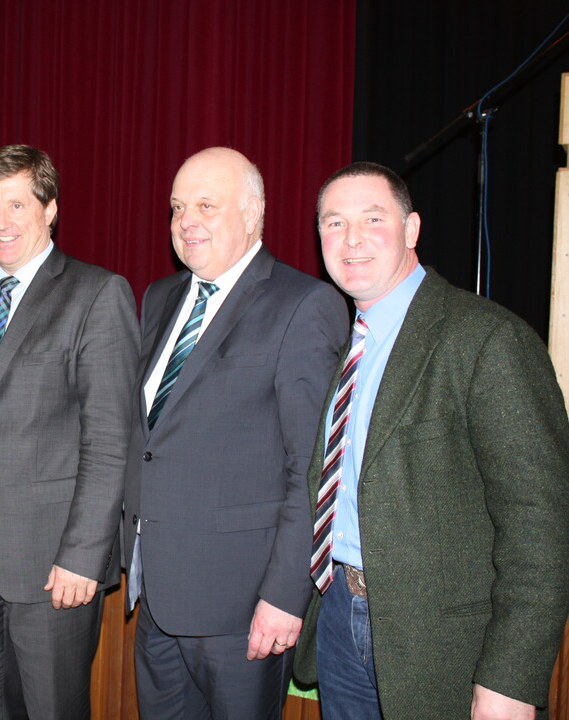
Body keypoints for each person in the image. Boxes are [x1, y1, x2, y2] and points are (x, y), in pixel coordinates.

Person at [293, 162, 569, 720]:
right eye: (333, 222)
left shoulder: (488, 339)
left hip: (441, 649)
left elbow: (541, 526)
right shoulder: (350, 348)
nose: (351, 239)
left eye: (373, 218)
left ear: (412, 229)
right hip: (341, 621)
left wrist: (511, 679)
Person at [122, 146, 348, 719]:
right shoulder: (160, 297)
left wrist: (283, 596)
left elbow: (312, 469)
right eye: (176, 208)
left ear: (254, 214)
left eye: (205, 205)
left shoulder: (304, 304)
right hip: (158, 599)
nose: (185, 222)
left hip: (243, 610)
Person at [0, 144, 138, 719]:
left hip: (52, 565)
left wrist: (84, 555)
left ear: (50, 210)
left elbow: (110, 439)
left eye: (17, 204)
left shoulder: (97, 293)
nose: (1, 222)